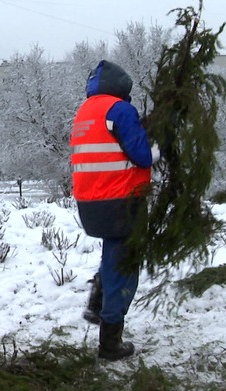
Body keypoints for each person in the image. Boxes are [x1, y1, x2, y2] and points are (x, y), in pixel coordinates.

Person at [68, 60, 160, 361]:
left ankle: (97, 299)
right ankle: (110, 342)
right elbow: (143, 156)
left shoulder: (85, 112)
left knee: (113, 252)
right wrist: (160, 146)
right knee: (125, 264)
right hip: (122, 200)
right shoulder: (120, 110)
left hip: (89, 203)